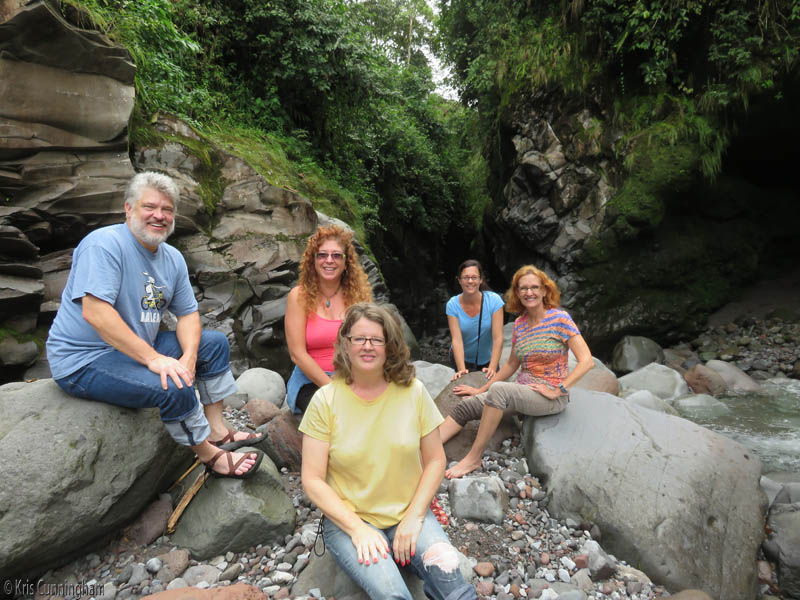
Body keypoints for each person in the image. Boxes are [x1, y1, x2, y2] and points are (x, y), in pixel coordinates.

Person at [46, 171, 263, 479]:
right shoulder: (103, 245)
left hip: (134, 348)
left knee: (213, 344)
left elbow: (188, 314)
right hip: (84, 359)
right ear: (128, 208)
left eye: (167, 209)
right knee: (173, 384)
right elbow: (95, 313)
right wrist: (154, 360)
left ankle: (217, 429)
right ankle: (209, 455)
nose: (159, 216)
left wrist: (189, 357)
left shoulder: (172, 258)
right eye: (150, 207)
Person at [299, 303, 477, 600]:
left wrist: (416, 516)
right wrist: (357, 530)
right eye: (359, 338)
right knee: (394, 595)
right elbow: (312, 480)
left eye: (376, 339)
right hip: (351, 520)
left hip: (409, 511)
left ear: (389, 345)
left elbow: (436, 460)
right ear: (345, 344)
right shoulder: (325, 401)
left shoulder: (413, 392)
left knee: (454, 585)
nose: (367, 346)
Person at [439, 265, 593, 479]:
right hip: (522, 392)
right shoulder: (520, 324)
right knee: (467, 406)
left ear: (545, 290)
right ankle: (424, 449)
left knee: (500, 391)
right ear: (517, 293)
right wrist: (481, 389)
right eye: (523, 288)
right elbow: (511, 365)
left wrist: (559, 390)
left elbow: (587, 361)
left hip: (550, 396)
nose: (529, 292)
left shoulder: (560, 319)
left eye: (534, 287)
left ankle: (473, 458)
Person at [284, 225, 372, 414]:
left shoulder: (359, 298)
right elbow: (297, 354)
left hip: (353, 378)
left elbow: (371, 344)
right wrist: (333, 388)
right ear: (313, 261)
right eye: (322, 255)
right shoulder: (298, 297)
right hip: (311, 382)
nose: (329, 260)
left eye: (336, 255)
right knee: (341, 412)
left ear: (346, 262)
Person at [446, 259, 504, 381]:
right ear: (459, 280)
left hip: (488, 359)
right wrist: (461, 370)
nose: (470, 281)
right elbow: (457, 340)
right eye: (466, 277)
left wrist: (492, 368)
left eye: (474, 277)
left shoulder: (494, 301)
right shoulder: (452, 304)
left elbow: (498, 338)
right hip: (463, 359)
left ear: (481, 279)